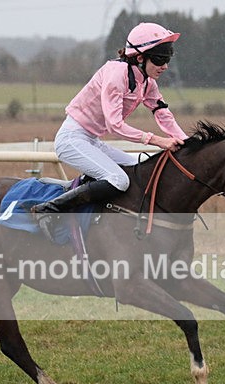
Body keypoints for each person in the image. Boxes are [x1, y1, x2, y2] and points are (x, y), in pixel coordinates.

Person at [31, 22, 187, 238]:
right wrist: (159, 141)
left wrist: (186, 142)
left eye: (168, 59)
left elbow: (162, 113)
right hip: (71, 139)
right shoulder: (116, 74)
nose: (165, 66)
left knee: (143, 166)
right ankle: (48, 209)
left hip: (92, 140)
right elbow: (115, 126)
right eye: (160, 59)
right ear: (140, 57)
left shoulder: (147, 82)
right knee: (119, 180)